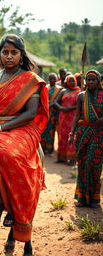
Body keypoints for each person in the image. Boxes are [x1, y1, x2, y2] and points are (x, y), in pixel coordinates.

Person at [0, 34, 49, 243]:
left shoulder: (29, 79)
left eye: (14, 52)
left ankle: (14, 208)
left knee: (10, 155)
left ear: (21, 54)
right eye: (5, 52)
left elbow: (30, 113)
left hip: (19, 128)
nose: (9, 56)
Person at [69, 70, 103, 208]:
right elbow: (77, 115)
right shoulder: (81, 96)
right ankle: (82, 198)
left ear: (98, 81)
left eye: (92, 80)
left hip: (99, 133)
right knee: (82, 164)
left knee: (93, 164)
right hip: (83, 133)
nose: (90, 82)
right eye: (88, 80)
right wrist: (72, 133)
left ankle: (94, 198)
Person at [54, 75, 80, 165]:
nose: (72, 82)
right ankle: (62, 158)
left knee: (71, 135)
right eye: (70, 81)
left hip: (73, 116)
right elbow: (55, 102)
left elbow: (80, 105)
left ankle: (72, 159)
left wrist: (70, 108)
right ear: (67, 82)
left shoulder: (79, 92)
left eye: (73, 81)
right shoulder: (63, 91)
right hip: (63, 116)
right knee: (62, 135)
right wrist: (61, 107)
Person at [41, 73, 62, 154]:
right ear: (48, 79)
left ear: (56, 79)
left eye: (54, 79)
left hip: (53, 112)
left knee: (51, 130)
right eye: (51, 78)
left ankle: (50, 148)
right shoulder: (45, 88)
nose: (52, 80)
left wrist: (50, 105)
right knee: (43, 130)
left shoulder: (59, 89)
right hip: (44, 112)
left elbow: (57, 101)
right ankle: (43, 147)